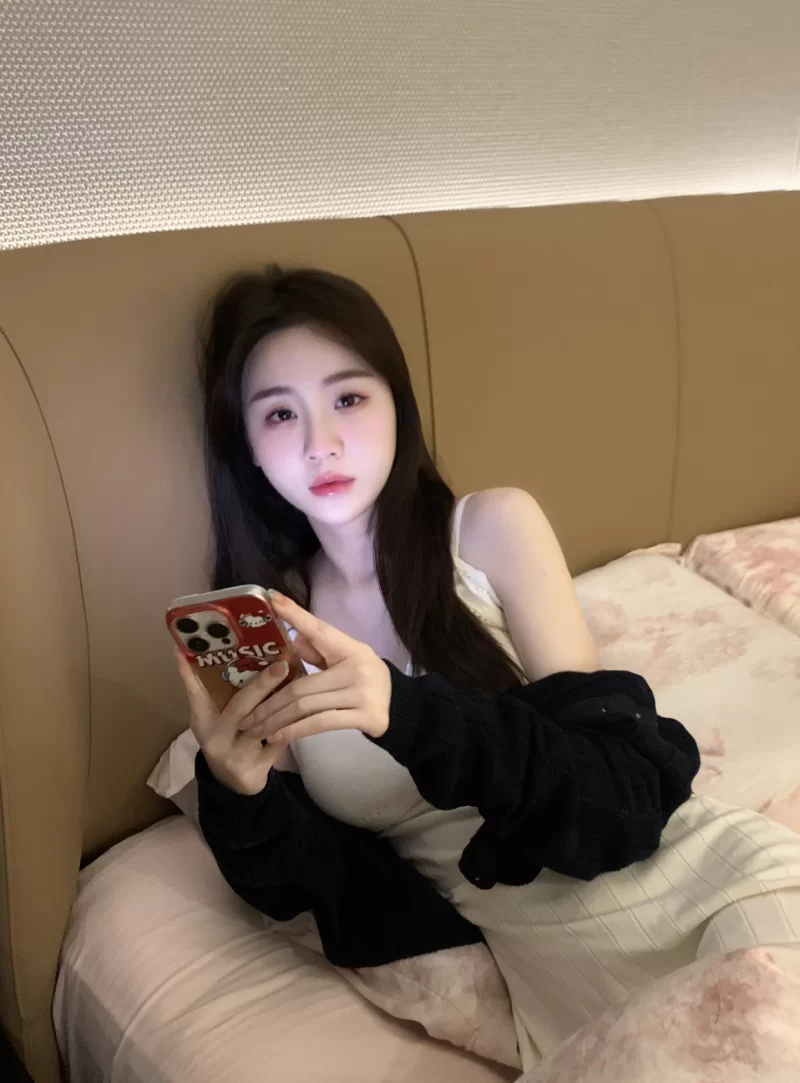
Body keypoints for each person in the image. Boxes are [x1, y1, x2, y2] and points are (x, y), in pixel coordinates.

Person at [177, 266, 800, 1071]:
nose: (319, 442)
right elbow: (312, 881)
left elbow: (616, 785)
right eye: (280, 413)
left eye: (349, 398)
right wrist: (238, 791)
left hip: (703, 897)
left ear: (398, 404)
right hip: (564, 991)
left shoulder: (490, 529)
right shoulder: (280, 625)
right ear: (249, 449)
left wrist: (405, 710)